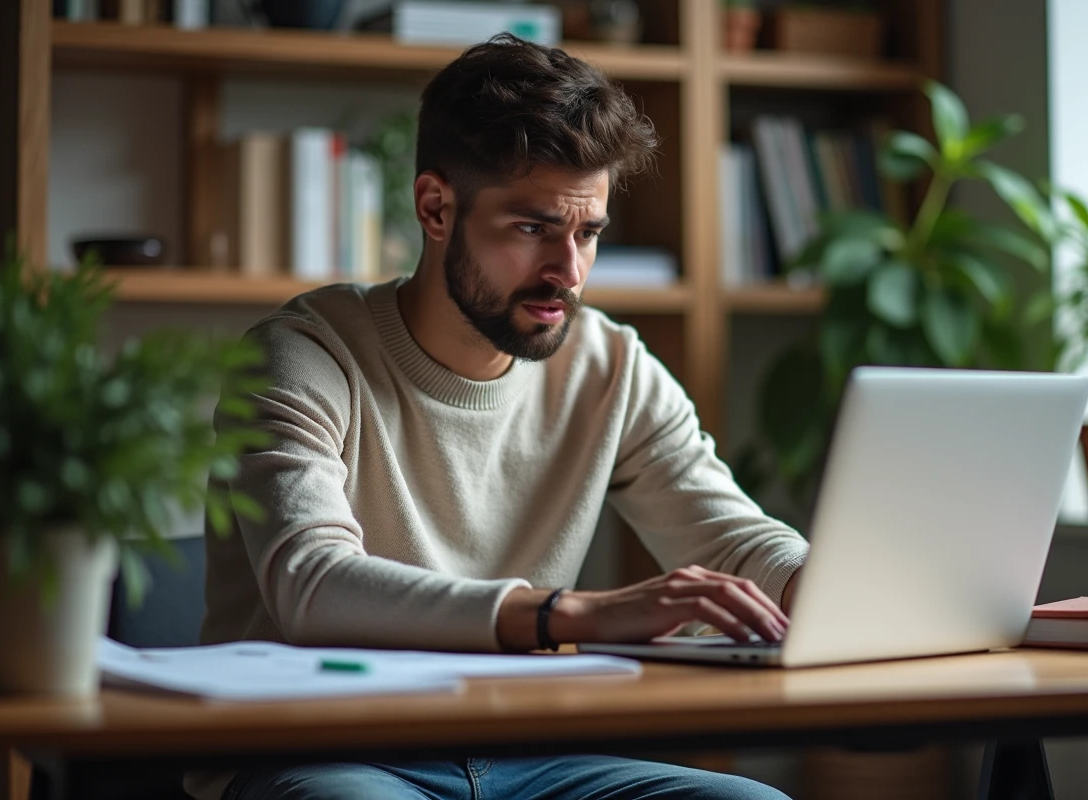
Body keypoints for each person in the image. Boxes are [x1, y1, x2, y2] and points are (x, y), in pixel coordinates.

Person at [193, 33, 808, 800]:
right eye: (533, 228)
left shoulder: (610, 366)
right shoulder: (303, 355)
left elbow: (734, 540)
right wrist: (569, 614)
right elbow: (314, 585)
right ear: (436, 207)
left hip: (528, 754)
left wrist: (835, 586)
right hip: (328, 749)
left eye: (587, 233)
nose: (569, 271)